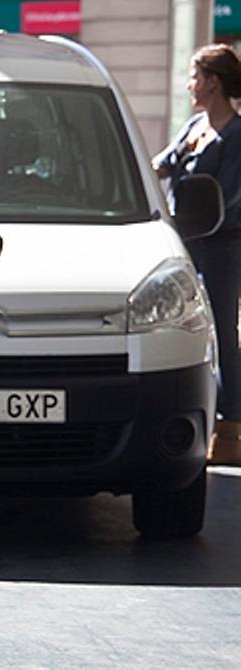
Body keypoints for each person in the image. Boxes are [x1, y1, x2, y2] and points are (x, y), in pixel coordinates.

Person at [154, 43, 241, 465]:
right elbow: (162, 164)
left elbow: (227, 196)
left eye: (194, 76)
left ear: (212, 81)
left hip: (221, 246)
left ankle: (229, 431)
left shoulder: (236, 134)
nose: (190, 85)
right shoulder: (195, 125)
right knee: (190, 331)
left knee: (224, 333)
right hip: (186, 243)